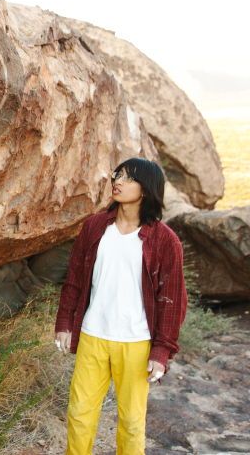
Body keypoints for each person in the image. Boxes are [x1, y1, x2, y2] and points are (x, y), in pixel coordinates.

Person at [54, 157, 188, 455]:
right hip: (92, 335)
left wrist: (162, 351)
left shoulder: (165, 240)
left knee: (130, 422)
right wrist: (65, 322)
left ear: (146, 188)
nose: (118, 180)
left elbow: (173, 300)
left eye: (128, 177)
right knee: (79, 415)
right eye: (118, 174)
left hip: (136, 342)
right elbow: (74, 279)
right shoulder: (94, 227)